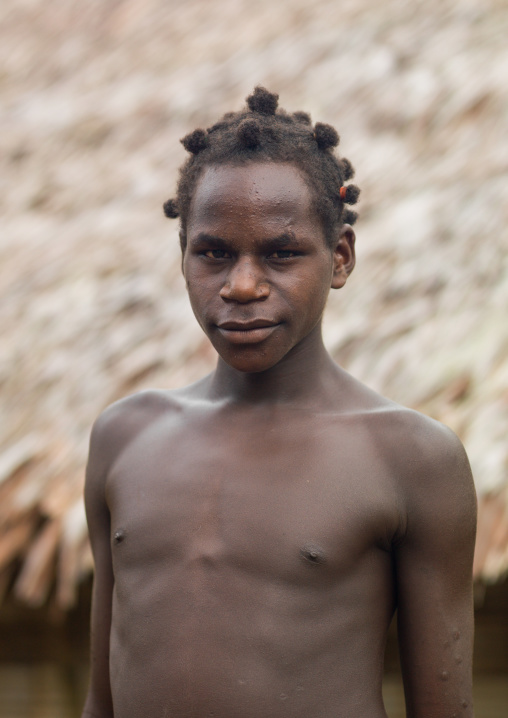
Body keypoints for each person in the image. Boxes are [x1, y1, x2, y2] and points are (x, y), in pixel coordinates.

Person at [82, 87, 477, 718]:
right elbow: (100, 702)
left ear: (340, 258)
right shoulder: (125, 437)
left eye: (281, 253)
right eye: (213, 253)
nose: (241, 285)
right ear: (182, 258)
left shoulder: (410, 458)